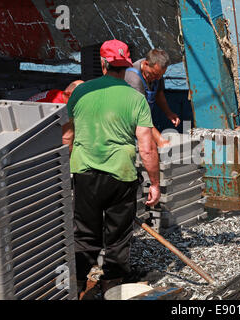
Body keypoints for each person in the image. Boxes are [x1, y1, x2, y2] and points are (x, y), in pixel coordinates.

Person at [63, 39, 161, 298]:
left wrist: (64, 174)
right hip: (121, 176)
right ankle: (112, 286)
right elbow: (147, 147)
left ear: (103, 63)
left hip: (84, 174)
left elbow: (66, 137)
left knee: (84, 232)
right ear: (127, 65)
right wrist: (155, 183)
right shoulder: (136, 98)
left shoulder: (80, 92)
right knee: (117, 236)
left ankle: (78, 285)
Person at [124, 49, 180, 147]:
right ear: (145, 64)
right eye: (154, 74)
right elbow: (139, 116)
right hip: (128, 126)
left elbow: (158, 93)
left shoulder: (157, 72)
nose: (157, 78)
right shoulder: (134, 79)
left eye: (160, 76)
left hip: (144, 122)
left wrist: (168, 113)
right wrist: (159, 139)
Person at [28, 80, 84, 150]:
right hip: (31, 129)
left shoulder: (56, 93)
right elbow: (66, 138)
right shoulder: (59, 107)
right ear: (69, 94)